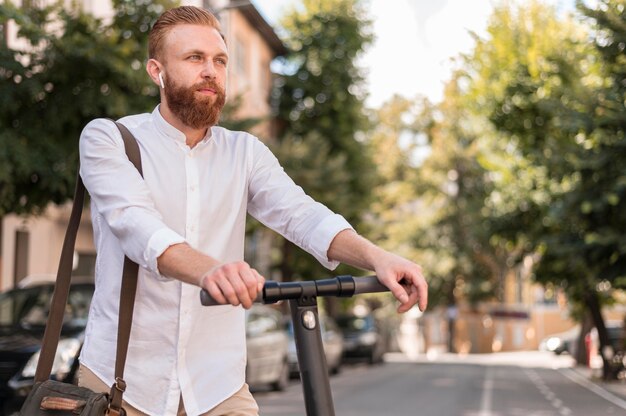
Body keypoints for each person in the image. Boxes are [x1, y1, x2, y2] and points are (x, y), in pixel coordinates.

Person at [77, 5, 427, 416]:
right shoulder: (108, 139)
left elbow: (302, 215)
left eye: (220, 60)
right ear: (157, 71)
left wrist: (377, 257)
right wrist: (211, 270)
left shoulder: (244, 152)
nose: (211, 70)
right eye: (194, 58)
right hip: (124, 383)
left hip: (217, 385)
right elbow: (138, 226)